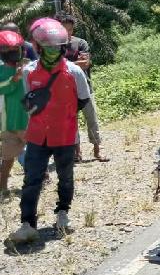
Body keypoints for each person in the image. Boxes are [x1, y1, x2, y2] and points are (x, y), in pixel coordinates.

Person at [9, 19, 92, 243]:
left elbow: (83, 99)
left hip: (64, 134)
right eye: (47, 48)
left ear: (63, 47)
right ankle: (27, 223)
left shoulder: (74, 72)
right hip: (37, 135)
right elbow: (28, 100)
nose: (52, 52)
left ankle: (63, 213)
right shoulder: (29, 71)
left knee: (65, 177)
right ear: (37, 47)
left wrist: (64, 117)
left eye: (57, 47)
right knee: (31, 179)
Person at [54, 13, 107, 162]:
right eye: (64, 29)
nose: (68, 33)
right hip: (64, 91)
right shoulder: (54, 47)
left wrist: (62, 65)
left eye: (70, 29)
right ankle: (77, 153)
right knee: (71, 122)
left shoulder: (81, 43)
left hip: (85, 88)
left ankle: (97, 151)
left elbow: (85, 63)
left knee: (92, 119)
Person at [0, 30, 29, 196]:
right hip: (9, 121)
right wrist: (14, 80)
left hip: (26, 117)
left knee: (35, 153)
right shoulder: (2, 71)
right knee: (8, 158)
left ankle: (37, 180)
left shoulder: (26, 66)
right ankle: (3, 187)